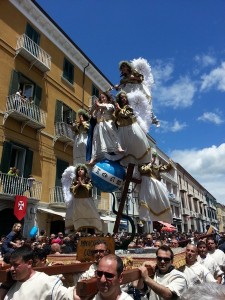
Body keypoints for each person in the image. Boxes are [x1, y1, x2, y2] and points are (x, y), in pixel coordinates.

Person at [0, 246, 76, 300]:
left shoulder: (46, 282)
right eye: (11, 265)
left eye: (16, 265)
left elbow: (68, 296)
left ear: (29, 263)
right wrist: (5, 286)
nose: (12, 269)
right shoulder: (10, 283)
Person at [115, 91, 152, 167]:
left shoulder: (129, 107)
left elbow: (126, 114)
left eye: (124, 97)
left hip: (131, 127)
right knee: (126, 150)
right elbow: (116, 118)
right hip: (122, 130)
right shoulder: (118, 109)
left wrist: (119, 109)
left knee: (137, 142)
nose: (123, 99)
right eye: (121, 98)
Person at [138, 151, 174, 223]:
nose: (152, 158)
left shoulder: (156, 166)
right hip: (146, 184)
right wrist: (150, 164)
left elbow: (164, 168)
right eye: (151, 156)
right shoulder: (142, 164)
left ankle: (165, 217)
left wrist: (170, 164)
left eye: (153, 157)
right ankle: (143, 217)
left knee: (162, 200)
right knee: (145, 200)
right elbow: (143, 170)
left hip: (156, 185)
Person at [89, 92, 124, 165]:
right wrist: (94, 107)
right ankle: (93, 157)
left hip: (107, 124)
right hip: (99, 126)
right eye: (101, 98)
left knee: (113, 134)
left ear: (107, 98)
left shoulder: (110, 105)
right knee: (95, 141)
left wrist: (98, 105)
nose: (102, 99)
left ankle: (118, 147)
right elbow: (92, 115)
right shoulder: (98, 108)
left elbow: (106, 107)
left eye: (103, 97)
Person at [69, 164, 102, 232]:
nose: (80, 171)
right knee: (78, 215)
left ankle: (95, 229)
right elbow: (71, 189)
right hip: (77, 201)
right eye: (78, 170)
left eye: (81, 169)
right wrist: (78, 185)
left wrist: (82, 184)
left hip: (87, 200)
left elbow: (90, 187)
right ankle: (79, 229)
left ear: (85, 171)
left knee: (92, 214)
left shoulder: (88, 179)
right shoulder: (74, 180)